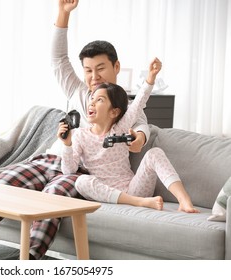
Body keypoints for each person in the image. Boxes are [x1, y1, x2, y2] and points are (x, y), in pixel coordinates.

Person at [0, 0, 150, 260]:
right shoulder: (80, 93)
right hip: (50, 159)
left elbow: (140, 127)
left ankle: (31, 261)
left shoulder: (125, 108)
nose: (94, 77)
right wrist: (63, 14)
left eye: (101, 68)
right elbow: (58, 60)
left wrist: (139, 139)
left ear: (116, 67)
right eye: (88, 70)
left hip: (80, 171)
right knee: (2, 185)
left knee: (52, 197)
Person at [58, 57, 199, 213]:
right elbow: (68, 171)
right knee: (81, 181)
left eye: (99, 100)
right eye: (92, 99)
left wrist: (150, 78)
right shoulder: (79, 136)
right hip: (108, 193)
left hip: (135, 188)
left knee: (155, 153)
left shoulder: (120, 129)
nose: (91, 103)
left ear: (114, 112)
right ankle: (138, 203)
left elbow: (139, 104)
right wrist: (67, 145)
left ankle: (184, 200)